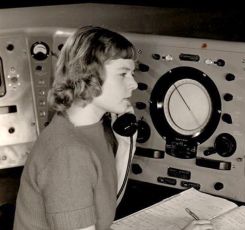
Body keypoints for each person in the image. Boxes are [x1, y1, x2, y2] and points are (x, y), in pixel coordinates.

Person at [13, 26, 213, 230]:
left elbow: (103, 211)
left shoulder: (90, 128)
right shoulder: (68, 153)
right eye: (123, 74)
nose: (134, 84)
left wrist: (126, 146)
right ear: (88, 76)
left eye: (132, 74)